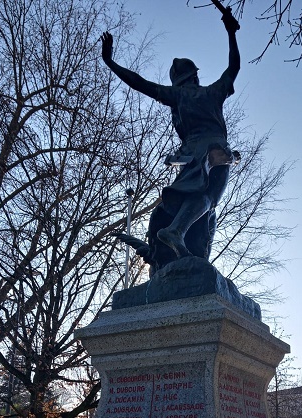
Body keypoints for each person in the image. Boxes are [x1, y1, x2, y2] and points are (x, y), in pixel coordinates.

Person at [101, 8, 240, 273]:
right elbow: (234, 68)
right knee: (209, 198)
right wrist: (231, 34)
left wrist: (111, 62)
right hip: (214, 149)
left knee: (196, 196)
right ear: (195, 76)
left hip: (188, 153)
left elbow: (139, 83)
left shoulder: (176, 95)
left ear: (177, 81)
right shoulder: (212, 93)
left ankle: (177, 234)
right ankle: (175, 231)